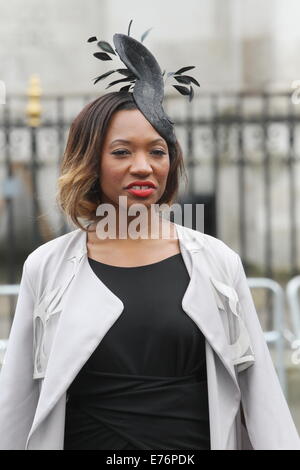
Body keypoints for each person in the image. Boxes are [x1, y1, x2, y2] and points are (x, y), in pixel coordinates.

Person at [0, 22, 300, 451]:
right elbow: (16, 403)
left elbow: (260, 395)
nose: (143, 166)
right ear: (91, 162)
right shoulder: (45, 267)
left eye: (157, 151)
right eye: (122, 151)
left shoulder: (217, 262)